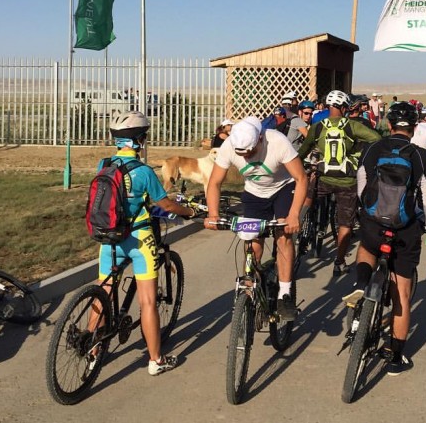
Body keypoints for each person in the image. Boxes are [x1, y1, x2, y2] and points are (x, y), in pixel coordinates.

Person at [344, 101, 426, 375]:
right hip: (405, 227)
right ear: (415, 127)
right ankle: (396, 357)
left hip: (374, 222)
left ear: (389, 124)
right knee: (402, 296)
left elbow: (362, 181)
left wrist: (367, 211)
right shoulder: (420, 155)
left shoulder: (373, 148)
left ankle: (362, 282)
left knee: (367, 247)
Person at [99, 111, 196, 375]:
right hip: (138, 239)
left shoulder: (104, 165)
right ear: (139, 140)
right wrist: (189, 212)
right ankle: (156, 360)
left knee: (103, 292)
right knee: (148, 302)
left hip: (109, 237)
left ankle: (93, 349)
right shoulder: (143, 171)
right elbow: (166, 205)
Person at [204, 117, 308, 320]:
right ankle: (251, 286)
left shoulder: (277, 142)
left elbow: (301, 178)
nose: (246, 157)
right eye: (241, 154)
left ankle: (284, 294)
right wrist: (213, 214)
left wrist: (294, 215)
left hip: (283, 188)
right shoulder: (229, 145)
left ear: (260, 139)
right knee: (252, 240)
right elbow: (215, 182)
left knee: (283, 236)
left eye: (250, 152)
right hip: (255, 193)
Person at [297, 90, 381, 276]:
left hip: (322, 177)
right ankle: (339, 262)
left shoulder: (317, 127)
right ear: (344, 108)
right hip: (347, 181)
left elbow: (303, 151)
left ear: (328, 106)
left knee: (307, 196)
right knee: (345, 223)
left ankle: (299, 220)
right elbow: (376, 139)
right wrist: (357, 151)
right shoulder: (352, 126)